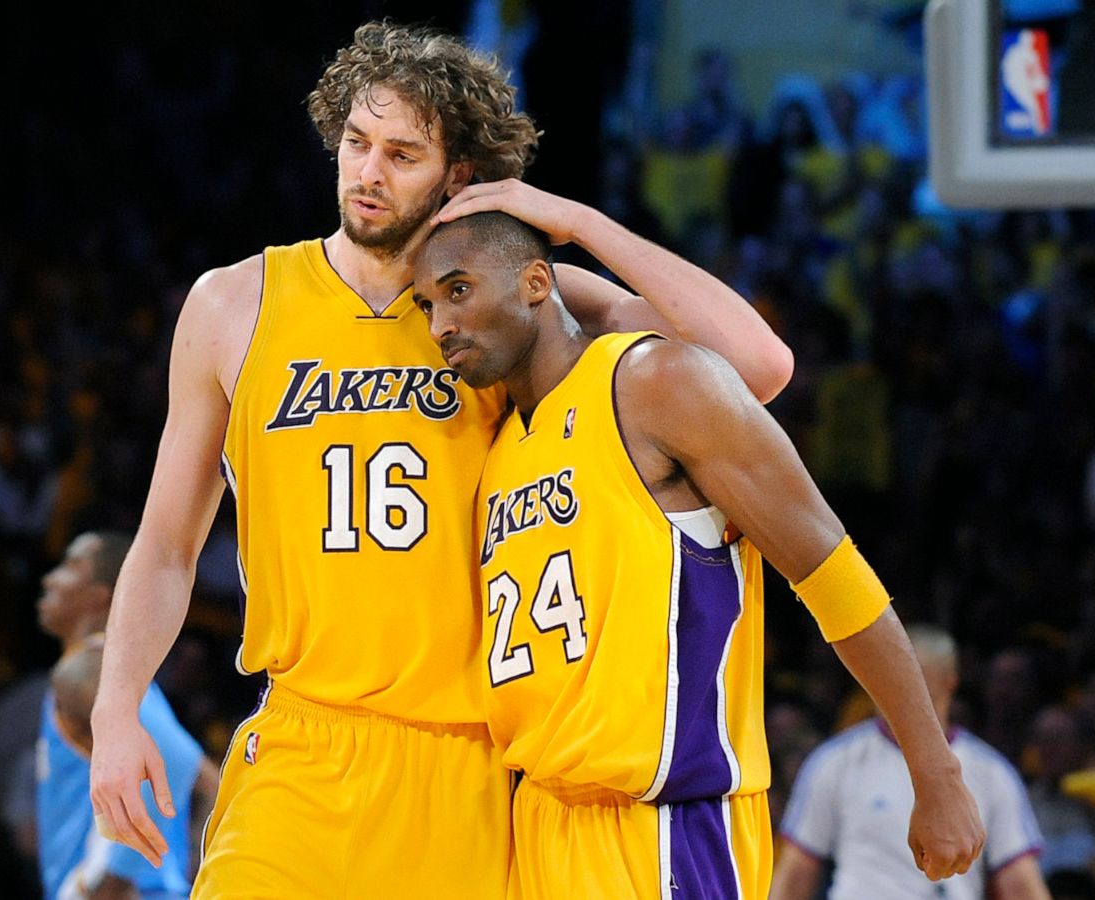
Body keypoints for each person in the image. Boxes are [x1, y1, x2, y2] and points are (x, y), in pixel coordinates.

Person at [88, 21, 792, 898]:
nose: (368, 172)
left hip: (474, 767)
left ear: (460, 177)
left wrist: (569, 222)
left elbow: (757, 367)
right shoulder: (234, 304)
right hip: (303, 749)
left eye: (402, 154)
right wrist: (118, 709)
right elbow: (163, 546)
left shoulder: (507, 307)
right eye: (356, 142)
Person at [410, 211, 984, 899]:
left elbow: (835, 576)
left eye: (459, 290)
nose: (440, 322)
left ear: (537, 282)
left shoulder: (655, 381)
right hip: (540, 824)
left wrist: (934, 769)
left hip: (668, 825)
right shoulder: (498, 448)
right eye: (427, 305)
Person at [771, 624, 1051, 900]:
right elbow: (797, 872)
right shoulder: (835, 761)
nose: (898, 690)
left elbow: (1020, 882)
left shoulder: (991, 771)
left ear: (949, 681)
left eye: (915, 679)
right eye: (887, 677)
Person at [36, 531, 215, 900]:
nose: (49, 579)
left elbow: (178, 762)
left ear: (99, 596)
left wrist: (115, 877)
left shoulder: (91, 669)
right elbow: (208, 781)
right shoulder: (106, 670)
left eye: (71, 567)